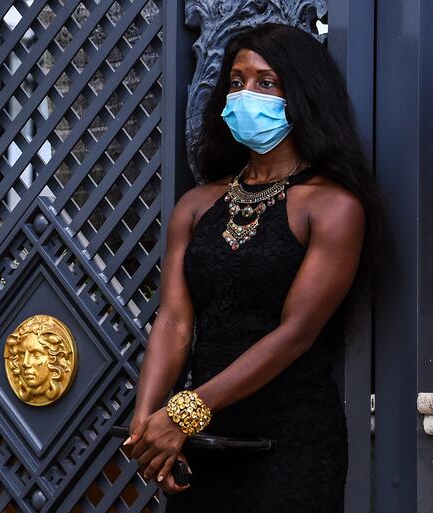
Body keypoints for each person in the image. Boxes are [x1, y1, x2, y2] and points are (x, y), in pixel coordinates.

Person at [123, 23, 390, 513]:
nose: (247, 94)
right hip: (202, 441)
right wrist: (146, 426)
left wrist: (184, 411)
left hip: (291, 437)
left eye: (266, 83)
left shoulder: (332, 206)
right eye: (237, 81)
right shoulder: (197, 205)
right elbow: (175, 321)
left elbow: (296, 332)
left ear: (301, 95)